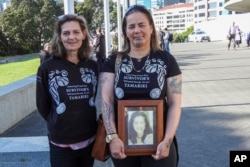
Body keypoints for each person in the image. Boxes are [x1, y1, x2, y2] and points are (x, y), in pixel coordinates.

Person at [96, 4, 182, 167]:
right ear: (126, 32)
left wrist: (167, 140)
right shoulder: (112, 61)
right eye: (131, 26)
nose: (137, 30)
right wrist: (112, 137)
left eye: (142, 25)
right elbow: (106, 101)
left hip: (159, 144)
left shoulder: (167, 60)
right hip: (122, 145)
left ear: (151, 28)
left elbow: (175, 104)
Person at [36, 14, 99, 167]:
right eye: (66, 33)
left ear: (83, 34)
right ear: (59, 37)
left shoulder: (92, 65)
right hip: (61, 143)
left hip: (89, 138)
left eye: (76, 32)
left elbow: (92, 97)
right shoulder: (47, 68)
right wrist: (58, 122)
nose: (72, 37)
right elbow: (42, 105)